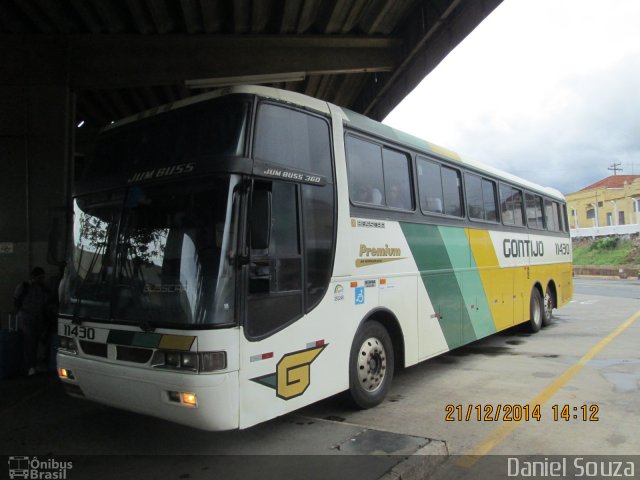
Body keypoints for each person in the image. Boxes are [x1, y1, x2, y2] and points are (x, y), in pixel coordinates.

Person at [13, 267, 49, 376]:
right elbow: (16, 301)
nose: (41, 279)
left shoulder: (42, 288)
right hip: (26, 317)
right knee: (29, 342)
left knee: (35, 342)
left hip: (37, 317)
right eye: (40, 277)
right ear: (34, 277)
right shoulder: (24, 286)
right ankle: (29, 366)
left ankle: (33, 364)